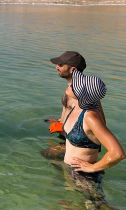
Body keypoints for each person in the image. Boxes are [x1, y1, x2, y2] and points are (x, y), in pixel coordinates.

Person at [49, 51, 125, 205]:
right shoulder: (80, 106)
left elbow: (118, 154)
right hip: (73, 170)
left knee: (99, 206)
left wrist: (92, 168)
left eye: (74, 85)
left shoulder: (90, 116)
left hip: (85, 176)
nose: (70, 86)